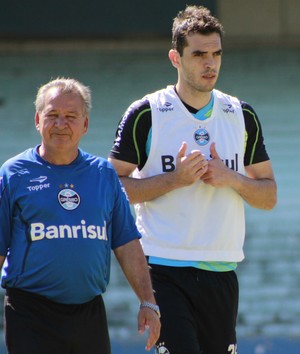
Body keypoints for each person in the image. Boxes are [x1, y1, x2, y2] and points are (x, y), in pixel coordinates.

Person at [108, 5, 277, 354]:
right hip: (164, 269)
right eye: (199, 54)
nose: (210, 63)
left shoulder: (241, 115)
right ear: (175, 57)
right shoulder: (146, 113)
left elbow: (269, 195)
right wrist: (175, 179)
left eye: (216, 54)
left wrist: (232, 179)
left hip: (222, 269)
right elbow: (111, 189)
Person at [0, 77, 161, 354]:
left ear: (85, 124)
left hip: (89, 313)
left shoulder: (103, 174)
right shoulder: (13, 174)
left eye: (71, 116)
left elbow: (126, 243)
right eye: (53, 115)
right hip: (30, 312)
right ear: (38, 120)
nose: (61, 124)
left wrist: (147, 301)